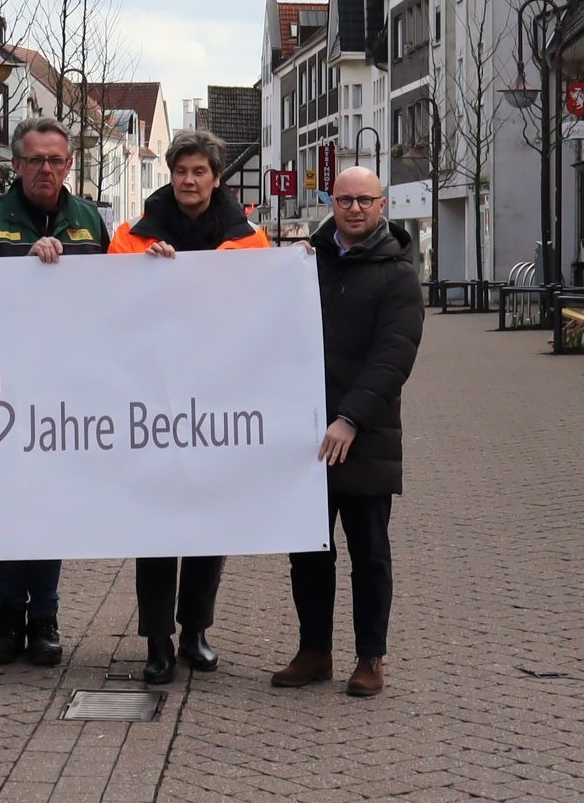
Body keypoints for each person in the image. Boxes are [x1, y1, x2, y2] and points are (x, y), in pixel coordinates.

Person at [108, 127, 273, 684]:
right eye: (181, 171)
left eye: (199, 171)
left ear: (216, 178)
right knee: (156, 525)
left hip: (218, 399)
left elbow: (263, 312)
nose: (189, 180)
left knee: (208, 520)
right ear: (170, 176)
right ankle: (157, 639)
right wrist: (141, 273)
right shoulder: (131, 237)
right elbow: (107, 304)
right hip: (151, 399)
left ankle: (196, 630)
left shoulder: (251, 240)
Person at [0, 116, 110, 667]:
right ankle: (8, 617)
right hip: (3, 389)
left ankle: (45, 618)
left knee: (51, 507)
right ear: (17, 165)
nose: (46, 169)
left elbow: (112, 303)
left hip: (66, 391)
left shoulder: (91, 220)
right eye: (35, 160)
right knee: (8, 505)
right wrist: (21, 272)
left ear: (69, 165)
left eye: (56, 160)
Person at [272, 166, 424, 699]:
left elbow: (394, 356)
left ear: (382, 205)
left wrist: (352, 418)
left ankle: (370, 658)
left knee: (369, 552)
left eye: (364, 200)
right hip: (307, 434)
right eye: (344, 200)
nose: (354, 209)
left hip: (365, 435)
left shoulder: (398, 273)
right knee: (309, 552)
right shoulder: (304, 264)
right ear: (331, 202)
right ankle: (314, 651)